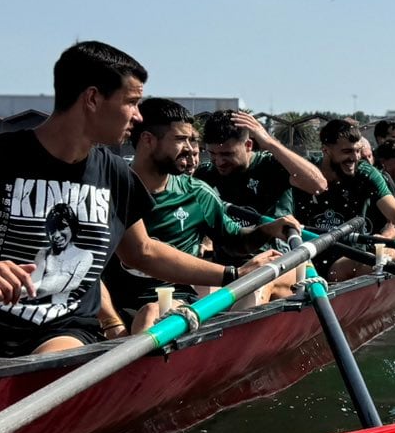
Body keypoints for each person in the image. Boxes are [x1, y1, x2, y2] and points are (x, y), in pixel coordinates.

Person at [0, 42, 256, 373]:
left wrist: (234, 275)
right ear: (92, 98)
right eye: (132, 103)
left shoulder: (115, 175)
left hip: (62, 329)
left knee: (50, 376)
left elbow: (144, 252)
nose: (138, 118)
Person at [103, 100, 293, 331]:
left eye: (191, 140)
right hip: (111, 307)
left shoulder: (197, 193)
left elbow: (234, 241)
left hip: (172, 302)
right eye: (180, 139)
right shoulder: (106, 190)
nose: (190, 149)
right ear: (148, 141)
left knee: (152, 312)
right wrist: (111, 324)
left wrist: (268, 229)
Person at [301, 118, 395, 279]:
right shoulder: (305, 171)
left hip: (348, 260)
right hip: (305, 259)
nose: (355, 158)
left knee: (375, 258)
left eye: (358, 150)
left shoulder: (365, 174)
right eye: (347, 151)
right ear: (326, 150)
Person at [197, 109, 328, 263]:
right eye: (212, 154)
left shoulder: (270, 166)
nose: (219, 162)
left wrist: (270, 142)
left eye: (227, 154)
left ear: (248, 145)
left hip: (274, 258)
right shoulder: (205, 174)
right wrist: (206, 240)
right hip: (227, 262)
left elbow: (318, 185)